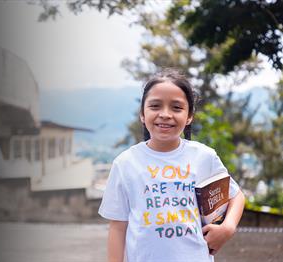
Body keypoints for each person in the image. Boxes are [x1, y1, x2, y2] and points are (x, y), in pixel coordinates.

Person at [98, 68, 245, 262]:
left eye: (176, 107)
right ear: (142, 114)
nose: (165, 114)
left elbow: (236, 196)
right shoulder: (125, 164)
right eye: (155, 106)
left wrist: (227, 229)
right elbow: (118, 227)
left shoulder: (203, 157)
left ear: (189, 115)